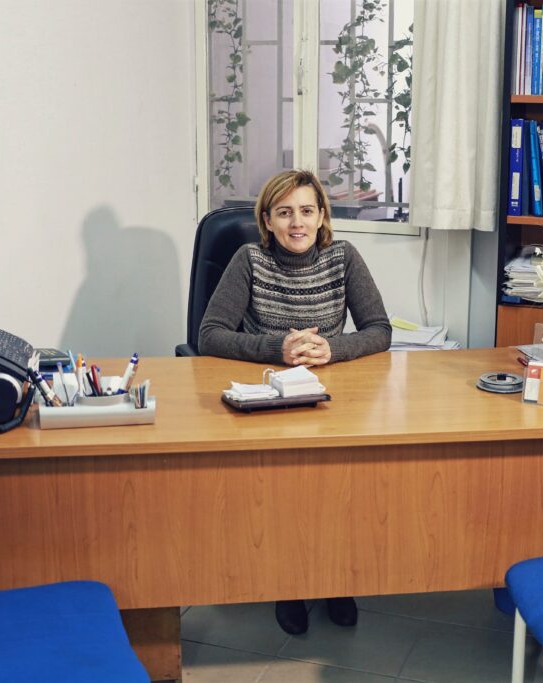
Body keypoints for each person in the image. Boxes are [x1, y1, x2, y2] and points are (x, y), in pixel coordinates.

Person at [198, 169, 392, 634]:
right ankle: (287, 583)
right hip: (268, 397)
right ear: (267, 221)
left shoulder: (344, 257)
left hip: (331, 399)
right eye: (284, 213)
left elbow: (379, 330)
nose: (297, 223)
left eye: (306, 211)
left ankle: (337, 579)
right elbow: (209, 335)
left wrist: (333, 348)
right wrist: (276, 348)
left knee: (339, 491)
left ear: (322, 215)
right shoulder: (249, 259)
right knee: (283, 492)